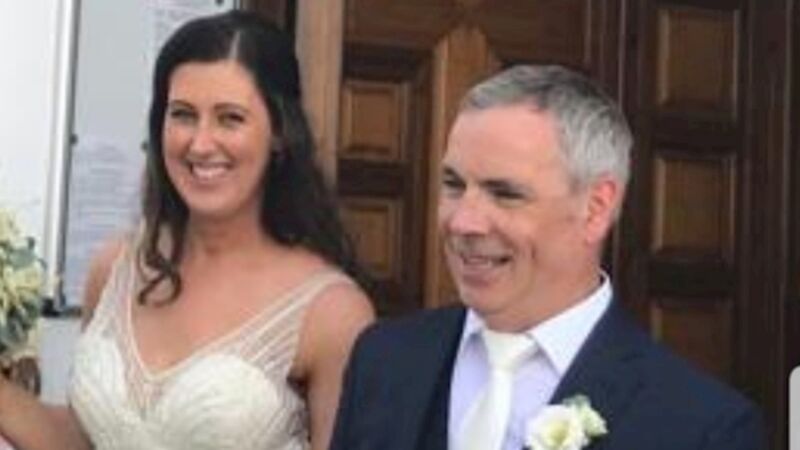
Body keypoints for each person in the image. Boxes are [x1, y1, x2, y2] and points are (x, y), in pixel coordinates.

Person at [329, 65, 765, 450]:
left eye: (505, 194)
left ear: (595, 208)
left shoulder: (699, 427)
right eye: (454, 185)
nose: (464, 222)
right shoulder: (384, 360)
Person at [0, 10, 374, 450]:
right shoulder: (116, 268)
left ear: (279, 132)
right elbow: (84, 441)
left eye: (230, 118)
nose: (200, 143)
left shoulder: (332, 312)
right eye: (182, 115)